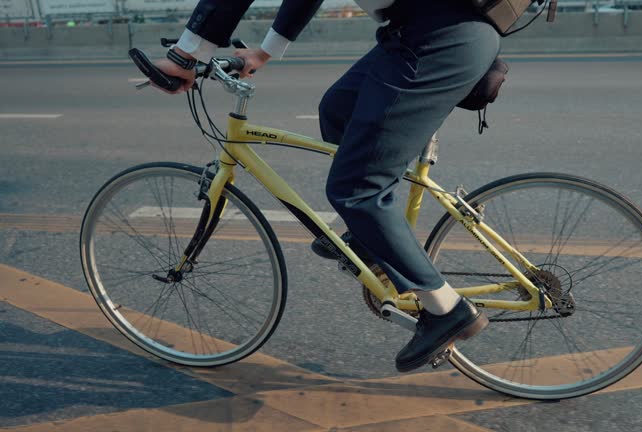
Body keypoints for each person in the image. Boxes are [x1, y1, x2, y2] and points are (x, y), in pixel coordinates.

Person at [153, 0, 500, 372]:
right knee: (337, 110)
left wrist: (185, 56)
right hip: (417, 35)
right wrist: (264, 52)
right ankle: (373, 239)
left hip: (438, 39)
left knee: (356, 189)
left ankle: (446, 309)